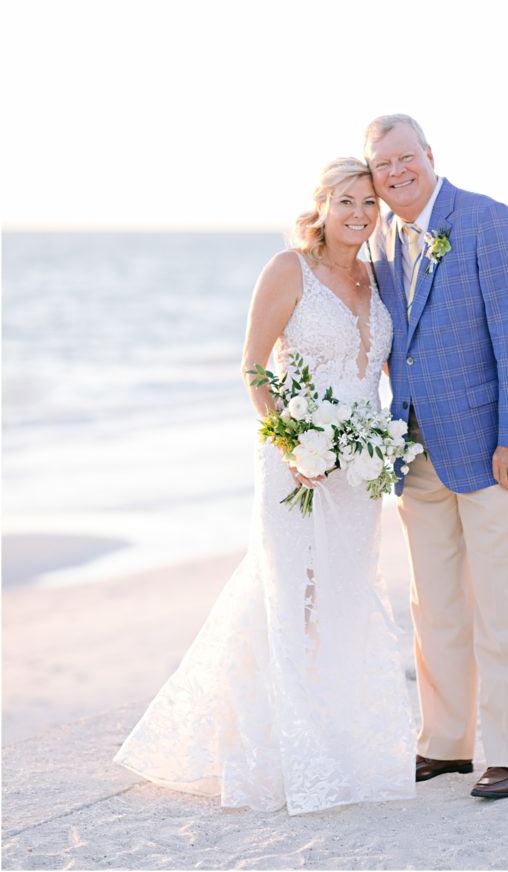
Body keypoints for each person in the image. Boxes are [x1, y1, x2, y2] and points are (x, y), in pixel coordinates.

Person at [113, 158, 416, 816]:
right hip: (294, 463)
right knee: (290, 594)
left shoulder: (377, 275)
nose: (359, 212)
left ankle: (337, 741)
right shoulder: (288, 271)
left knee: (342, 594)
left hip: (358, 469)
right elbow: (253, 366)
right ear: (322, 205)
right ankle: (283, 753)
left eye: (369, 201)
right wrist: (292, 444)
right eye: (346, 200)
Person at [365, 114, 508, 800]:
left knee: (504, 604)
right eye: (382, 164)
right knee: (437, 609)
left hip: (494, 454)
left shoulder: (486, 220)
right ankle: (448, 744)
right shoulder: (385, 238)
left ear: (430, 156)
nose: (395, 172)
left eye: (405, 158)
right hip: (419, 455)